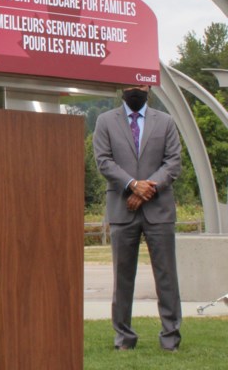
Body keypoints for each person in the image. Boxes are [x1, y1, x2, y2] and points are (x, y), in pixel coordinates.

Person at [94, 84, 182, 352]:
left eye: (140, 85)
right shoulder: (105, 121)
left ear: (149, 88)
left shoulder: (165, 121)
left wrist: (146, 189)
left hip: (160, 210)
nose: (135, 89)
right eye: (130, 85)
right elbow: (103, 160)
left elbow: (173, 162)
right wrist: (132, 184)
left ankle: (171, 338)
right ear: (121, 89)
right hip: (122, 211)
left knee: (166, 277)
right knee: (123, 278)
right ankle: (124, 338)